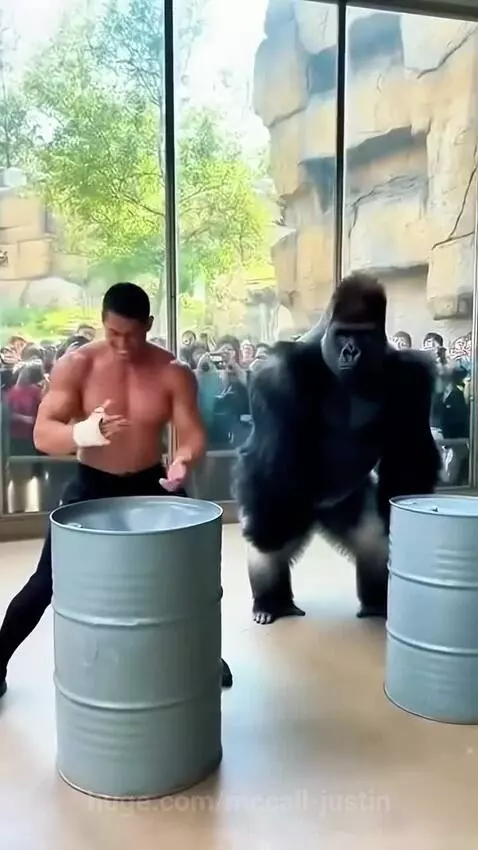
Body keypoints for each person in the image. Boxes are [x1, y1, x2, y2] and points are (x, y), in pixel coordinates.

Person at [0, 282, 232, 698]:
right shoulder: (79, 365)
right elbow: (42, 435)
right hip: (93, 483)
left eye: (133, 334)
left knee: (193, 578)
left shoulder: (171, 371)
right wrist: (85, 431)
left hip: (151, 482)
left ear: (149, 325)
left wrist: (183, 461)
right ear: (102, 324)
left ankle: (203, 656)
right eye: (113, 334)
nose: (123, 345)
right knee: (46, 582)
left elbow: (193, 434)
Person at [233, 273, 441, 625]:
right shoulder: (283, 374)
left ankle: (377, 601)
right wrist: (273, 522)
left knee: (378, 540)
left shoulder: (406, 378)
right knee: (264, 543)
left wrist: (406, 527)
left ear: (381, 335)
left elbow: (410, 467)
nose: (351, 351)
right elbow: (267, 466)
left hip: (347, 486)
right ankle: (271, 601)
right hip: (284, 490)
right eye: (344, 335)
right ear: (328, 328)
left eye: (362, 338)